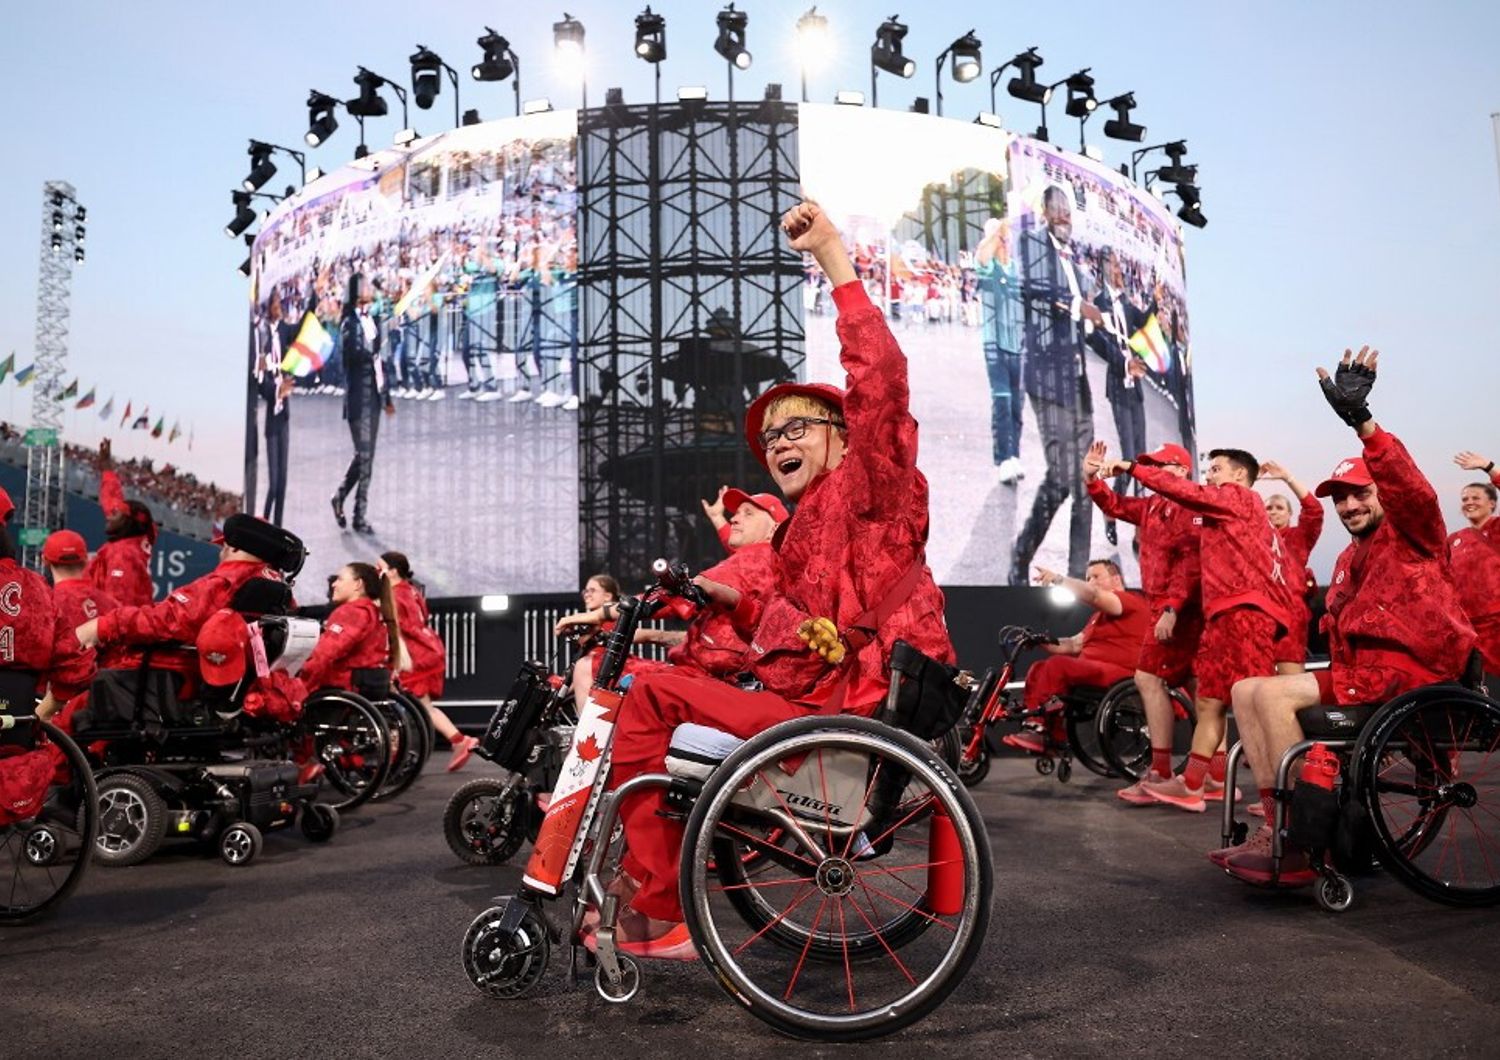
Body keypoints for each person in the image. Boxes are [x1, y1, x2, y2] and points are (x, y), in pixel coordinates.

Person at [597, 199, 953, 960]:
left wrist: (832, 256)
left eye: (798, 427)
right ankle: (649, 889)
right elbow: (779, 632)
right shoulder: (798, 535)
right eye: (770, 438)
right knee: (652, 687)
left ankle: (662, 909)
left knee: (650, 694)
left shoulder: (872, 489)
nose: (779, 441)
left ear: (844, 436)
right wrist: (722, 605)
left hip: (849, 713)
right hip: (815, 704)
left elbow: (881, 379)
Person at [1225, 347, 1475, 885]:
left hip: (1415, 680)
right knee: (1246, 687)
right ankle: (1280, 826)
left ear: (1380, 492)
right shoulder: (1345, 559)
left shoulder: (1416, 534)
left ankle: (1291, 841)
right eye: (1339, 499)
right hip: (1366, 679)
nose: (1348, 507)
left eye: (1359, 494)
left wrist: (1363, 421)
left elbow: (1414, 490)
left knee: (1270, 693)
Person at [1100, 444, 1292, 812]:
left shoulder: (1240, 497)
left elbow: (1188, 505)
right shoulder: (1215, 509)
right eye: (1209, 470)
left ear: (1239, 475)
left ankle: (1280, 807)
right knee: (1209, 702)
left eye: (1216, 469)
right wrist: (1096, 480)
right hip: (1223, 614)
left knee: (1253, 706)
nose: (1210, 476)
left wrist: (1129, 467)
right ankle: (1194, 785)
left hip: (1245, 612)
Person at [1084, 440, 1206, 802]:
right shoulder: (1154, 505)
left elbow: (1191, 563)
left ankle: (1163, 772)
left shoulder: (1191, 504)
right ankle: (1210, 777)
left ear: (1182, 471)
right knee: (1199, 688)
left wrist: (1170, 607)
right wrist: (1091, 479)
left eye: (1159, 466)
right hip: (1167, 606)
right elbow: (1114, 504)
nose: (1150, 473)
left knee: (1149, 678)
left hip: (1184, 610)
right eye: (1148, 466)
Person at [1010, 185, 1105, 584]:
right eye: (1059, 211)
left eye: (1069, 211)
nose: (1066, 217)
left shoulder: (1074, 260)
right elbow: (1031, 286)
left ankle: (1077, 575)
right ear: (1046, 213)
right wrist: (1073, 302)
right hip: (1047, 378)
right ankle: (1020, 557)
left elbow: (1088, 315)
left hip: (1077, 379)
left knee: (1085, 479)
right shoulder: (1032, 242)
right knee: (1063, 477)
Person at [1002, 559, 1150, 754]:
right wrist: (1040, 641)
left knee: (1058, 666)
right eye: (1087, 578)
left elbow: (1094, 595)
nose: (1090, 582)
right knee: (1038, 668)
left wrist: (1057, 579)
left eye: (1096, 577)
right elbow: (1073, 644)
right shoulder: (1097, 617)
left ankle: (1037, 727)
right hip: (1095, 670)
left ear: (1116, 579)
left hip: (1122, 673)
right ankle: (1052, 734)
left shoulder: (1127, 600)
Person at [377, 550, 475, 772]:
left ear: (392, 571)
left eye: (379, 566)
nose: (376, 571)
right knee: (420, 705)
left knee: (395, 704)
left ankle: (395, 756)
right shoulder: (411, 591)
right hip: (430, 649)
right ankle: (457, 740)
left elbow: (401, 627)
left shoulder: (394, 595)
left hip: (416, 655)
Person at [1086, 250, 1155, 544]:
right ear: (1103, 269)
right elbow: (1095, 340)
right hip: (1118, 383)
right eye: (1113, 265)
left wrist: (1155, 302)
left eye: (1119, 265)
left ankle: (1141, 527)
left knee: (1141, 455)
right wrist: (1124, 363)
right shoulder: (1097, 304)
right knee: (1128, 455)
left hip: (1135, 385)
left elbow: (1141, 322)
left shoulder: (1126, 301)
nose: (1118, 270)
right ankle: (1110, 512)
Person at [331, 273, 394, 535]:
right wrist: (373, 350)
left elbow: (381, 362)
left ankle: (341, 496)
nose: (370, 288)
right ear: (357, 293)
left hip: (375, 398)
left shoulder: (373, 321)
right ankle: (358, 515)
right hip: (359, 399)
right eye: (366, 286)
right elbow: (352, 356)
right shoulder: (349, 324)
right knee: (365, 458)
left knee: (366, 458)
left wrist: (387, 397)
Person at [39, 530, 119, 713]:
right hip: (109, 705)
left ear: (45, 561)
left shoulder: (45, 604)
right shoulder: (111, 604)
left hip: (57, 710)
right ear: (85, 561)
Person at [1259, 461, 1325, 674]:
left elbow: (1314, 510)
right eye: (1268, 508)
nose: (1274, 512)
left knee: (1290, 681)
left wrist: (1287, 477)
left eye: (1279, 508)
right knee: (1258, 685)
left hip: (1290, 616)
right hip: (1259, 615)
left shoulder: (1299, 538)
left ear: (1289, 515)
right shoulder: (1252, 540)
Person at [974, 217, 1025, 485]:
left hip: (1018, 346)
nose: (1004, 240)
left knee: (1017, 406)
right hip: (995, 344)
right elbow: (983, 254)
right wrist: (996, 230)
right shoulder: (987, 266)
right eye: (999, 236)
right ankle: (1002, 460)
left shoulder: (1017, 269)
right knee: (1002, 401)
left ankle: (1014, 455)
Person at [299, 563, 402, 695]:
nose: (334, 584)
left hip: (343, 690)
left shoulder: (351, 613)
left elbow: (324, 655)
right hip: (370, 689)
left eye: (340, 579)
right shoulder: (376, 613)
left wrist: (298, 686)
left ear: (358, 584)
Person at [86, 439, 156, 607]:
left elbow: (118, 609)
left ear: (127, 522)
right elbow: (112, 498)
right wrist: (107, 468)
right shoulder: (138, 536)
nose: (110, 515)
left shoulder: (123, 555)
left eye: (116, 514)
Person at [1448, 450, 1500, 675]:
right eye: (1465, 499)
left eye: (1475, 498)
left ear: (1492, 503)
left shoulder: (1498, 529)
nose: (1469, 503)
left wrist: (1489, 467)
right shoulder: (1454, 539)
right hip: (1465, 631)